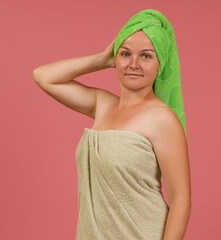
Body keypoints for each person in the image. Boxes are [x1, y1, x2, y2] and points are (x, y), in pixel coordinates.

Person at [33, 9, 191, 240]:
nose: (134, 63)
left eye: (146, 56)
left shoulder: (162, 119)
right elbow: (43, 76)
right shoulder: (102, 105)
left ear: (160, 63)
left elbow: (181, 199)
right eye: (125, 54)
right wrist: (101, 59)